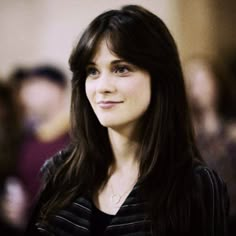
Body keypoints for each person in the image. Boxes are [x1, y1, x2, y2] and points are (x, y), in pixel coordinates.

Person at [25, 5, 229, 235]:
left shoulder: (196, 187)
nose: (102, 87)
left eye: (121, 69)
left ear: (159, 78)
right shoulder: (60, 173)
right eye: (93, 71)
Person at [184, 56, 236, 235]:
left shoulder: (231, 131)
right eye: (194, 83)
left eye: (204, 80)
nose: (200, 89)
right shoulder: (187, 135)